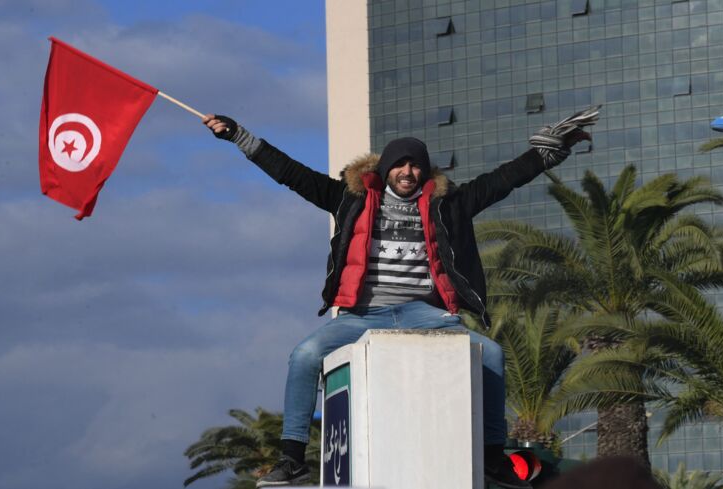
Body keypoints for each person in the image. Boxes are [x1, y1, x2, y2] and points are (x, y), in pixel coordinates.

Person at [203, 110, 594, 488]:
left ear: (425, 171)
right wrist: (239, 135)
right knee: (305, 355)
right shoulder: (348, 199)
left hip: (425, 315)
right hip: (361, 315)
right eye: (400, 165)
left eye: (416, 166)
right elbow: (290, 174)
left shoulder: (448, 205)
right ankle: (292, 459)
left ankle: (492, 457)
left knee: (490, 354)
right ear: (386, 168)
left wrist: (549, 153)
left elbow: (503, 180)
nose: (408, 173)